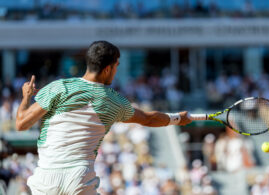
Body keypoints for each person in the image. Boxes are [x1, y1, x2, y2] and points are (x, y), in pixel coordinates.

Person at [16, 40, 192, 195]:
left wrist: (26, 96)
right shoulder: (115, 101)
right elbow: (148, 118)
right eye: (117, 66)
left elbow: (21, 123)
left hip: (45, 179)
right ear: (108, 69)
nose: (116, 71)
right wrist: (177, 118)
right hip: (79, 180)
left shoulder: (59, 87)